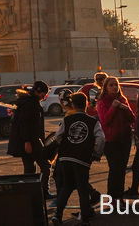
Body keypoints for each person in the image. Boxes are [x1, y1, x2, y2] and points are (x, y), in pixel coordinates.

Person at [49, 92, 104, 226]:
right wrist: (96, 153)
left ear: (73, 104)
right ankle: (85, 217)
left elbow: (58, 137)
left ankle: (58, 215)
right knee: (82, 188)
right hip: (82, 158)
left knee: (66, 187)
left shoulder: (67, 120)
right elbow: (101, 138)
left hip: (66, 158)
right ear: (86, 104)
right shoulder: (93, 122)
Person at [8, 80, 52, 198]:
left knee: (29, 168)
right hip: (31, 140)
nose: (44, 97)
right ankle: (43, 192)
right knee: (45, 166)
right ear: (39, 92)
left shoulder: (27, 102)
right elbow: (24, 123)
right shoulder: (30, 104)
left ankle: (30, 193)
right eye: (44, 94)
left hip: (29, 140)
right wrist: (27, 141)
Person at [96, 76, 135, 203]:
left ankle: (120, 197)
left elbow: (132, 119)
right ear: (105, 88)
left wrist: (126, 108)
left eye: (116, 85)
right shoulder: (103, 102)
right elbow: (105, 121)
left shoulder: (122, 99)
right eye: (111, 85)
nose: (114, 87)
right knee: (114, 169)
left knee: (122, 168)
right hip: (111, 140)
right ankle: (113, 197)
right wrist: (113, 107)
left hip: (125, 138)